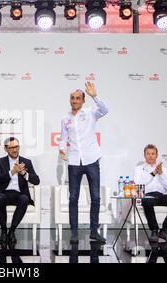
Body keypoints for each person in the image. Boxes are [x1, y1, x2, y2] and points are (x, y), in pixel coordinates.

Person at [59, 81, 108, 244]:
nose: (74, 101)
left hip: (91, 159)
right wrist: (61, 149)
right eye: (72, 98)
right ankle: (74, 232)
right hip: (73, 161)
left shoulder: (90, 113)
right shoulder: (65, 119)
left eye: (78, 98)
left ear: (83, 100)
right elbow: (64, 138)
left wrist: (95, 96)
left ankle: (94, 231)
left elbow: (105, 110)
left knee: (95, 197)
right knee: (73, 198)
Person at [0, 137, 40, 249]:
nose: (15, 150)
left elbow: (36, 181)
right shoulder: (0, 162)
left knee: (24, 199)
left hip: (19, 194)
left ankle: (12, 231)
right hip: (4, 193)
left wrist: (24, 173)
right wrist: (12, 172)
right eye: (12, 147)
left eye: (17, 147)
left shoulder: (26, 162)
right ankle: (4, 231)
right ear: (6, 149)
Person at [134, 144, 167, 243]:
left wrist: (161, 174)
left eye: (153, 154)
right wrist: (153, 173)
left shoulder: (164, 170)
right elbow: (139, 183)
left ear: (157, 155)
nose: (150, 156)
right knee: (147, 201)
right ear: (144, 155)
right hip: (147, 196)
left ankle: (165, 230)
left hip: (161, 196)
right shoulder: (139, 169)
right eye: (148, 154)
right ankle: (154, 230)